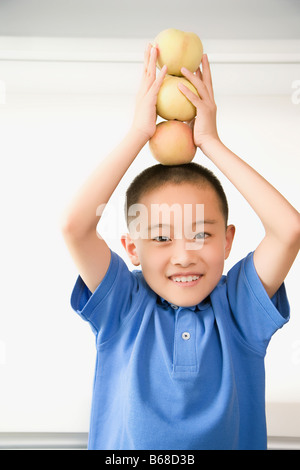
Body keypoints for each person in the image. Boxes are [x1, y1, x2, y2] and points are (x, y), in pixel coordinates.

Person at [61, 44, 300, 450]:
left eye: (202, 234)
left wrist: (210, 141)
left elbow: (288, 229)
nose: (184, 254)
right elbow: (76, 226)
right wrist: (139, 133)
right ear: (131, 248)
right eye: (159, 237)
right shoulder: (124, 304)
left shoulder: (239, 307)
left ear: (227, 241)